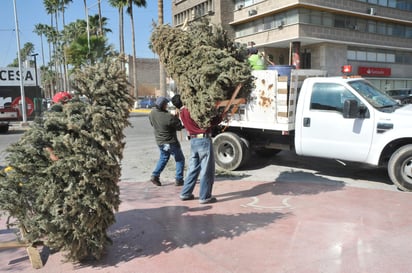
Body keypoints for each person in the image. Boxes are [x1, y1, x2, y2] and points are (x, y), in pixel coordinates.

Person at [171, 94, 221, 204]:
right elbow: (207, 122)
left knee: (193, 169)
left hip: (194, 141)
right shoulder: (191, 110)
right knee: (206, 169)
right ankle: (205, 196)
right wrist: (219, 116)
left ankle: (185, 193)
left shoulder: (182, 112)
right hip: (203, 140)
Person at [149, 96, 185, 187]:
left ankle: (155, 175)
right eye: (166, 104)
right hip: (171, 142)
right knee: (179, 159)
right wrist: (176, 118)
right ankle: (179, 179)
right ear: (162, 105)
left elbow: (153, 123)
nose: (167, 106)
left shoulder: (152, 113)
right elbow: (179, 127)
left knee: (164, 157)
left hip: (160, 142)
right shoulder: (168, 117)